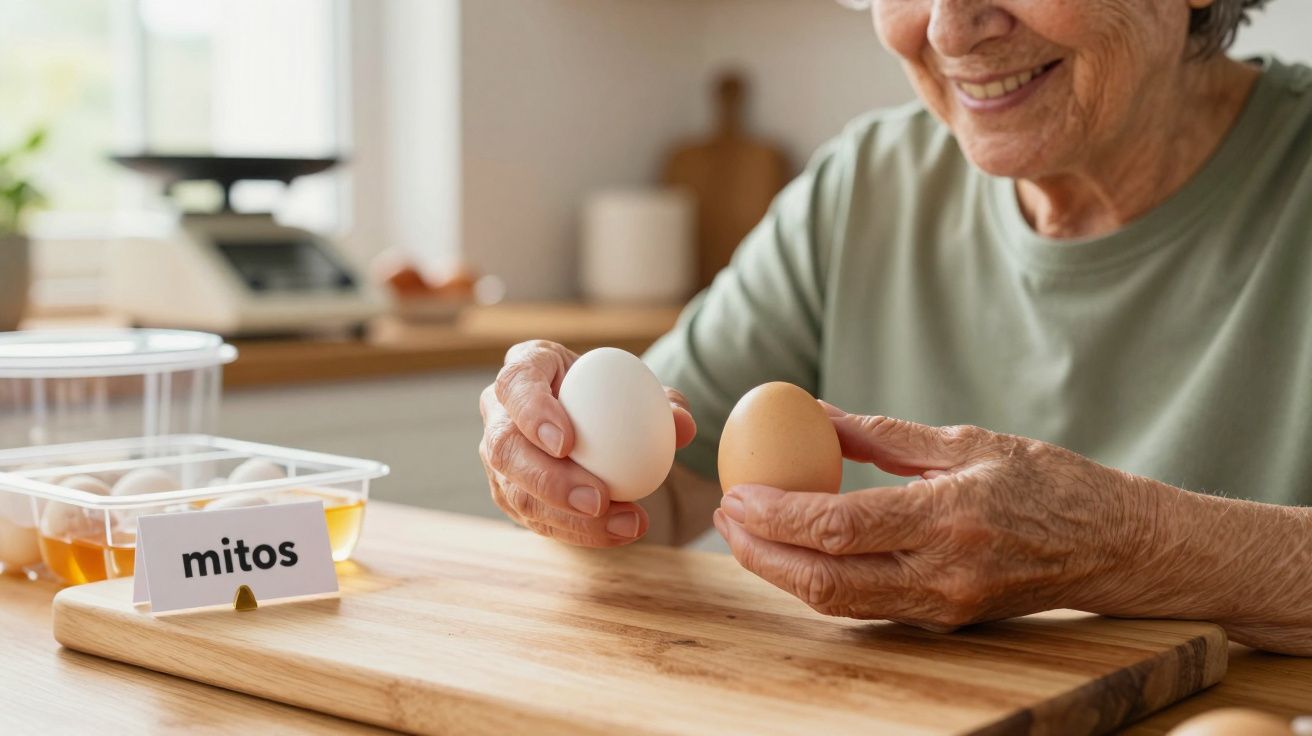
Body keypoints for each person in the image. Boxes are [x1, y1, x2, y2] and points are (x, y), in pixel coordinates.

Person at [479, 0, 1312, 656]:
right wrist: (560, 461)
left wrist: (1126, 545)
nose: (950, 26)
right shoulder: (866, 185)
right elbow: (656, 490)